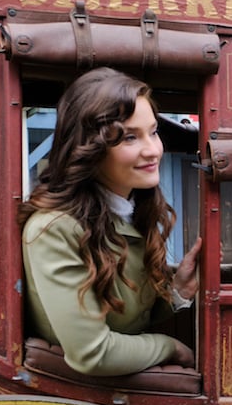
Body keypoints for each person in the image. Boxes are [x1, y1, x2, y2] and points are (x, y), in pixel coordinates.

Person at [20, 67, 203, 376]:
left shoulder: (130, 210)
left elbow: (128, 316)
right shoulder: (54, 229)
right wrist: (170, 348)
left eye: (153, 131)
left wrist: (178, 292)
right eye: (130, 137)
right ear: (90, 149)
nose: (153, 150)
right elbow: (93, 353)